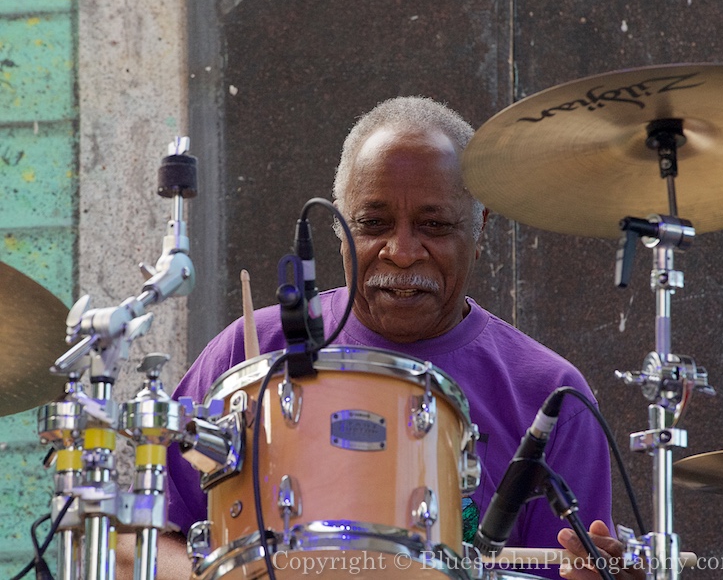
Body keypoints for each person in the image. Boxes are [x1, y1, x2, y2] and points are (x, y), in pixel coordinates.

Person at [132, 96, 640, 579]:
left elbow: (565, 568)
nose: (401, 251)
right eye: (372, 223)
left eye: (434, 225)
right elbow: (131, 542)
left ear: (481, 226)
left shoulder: (550, 396)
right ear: (338, 227)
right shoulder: (252, 351)